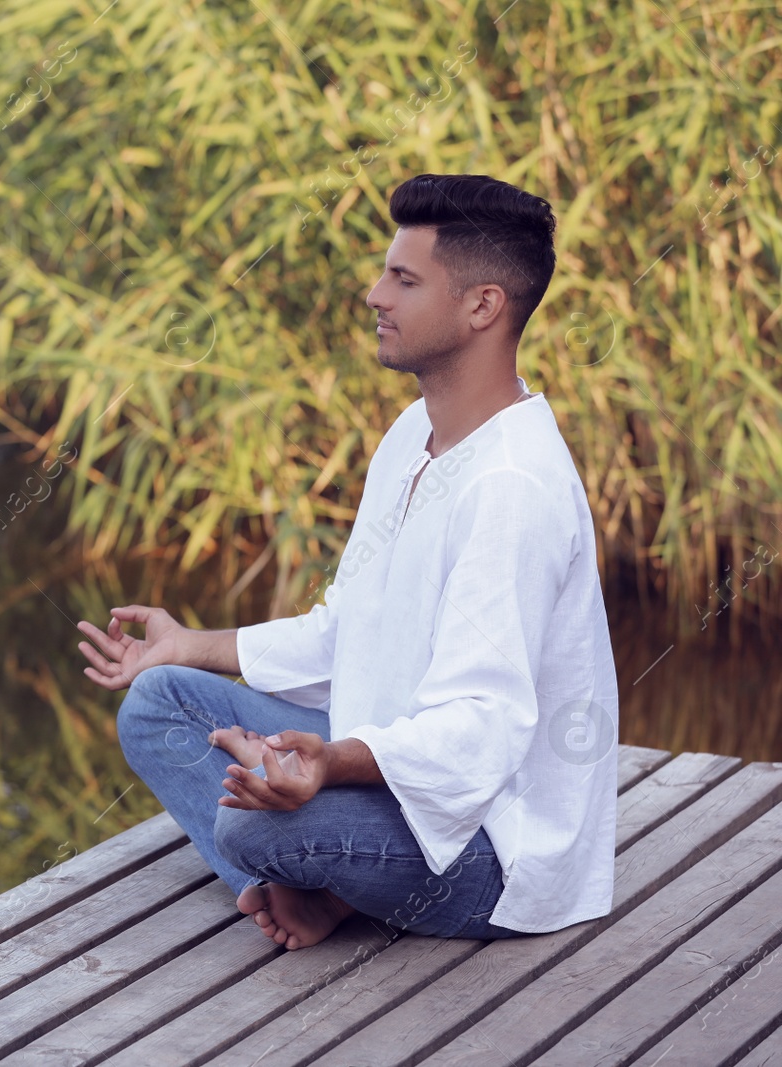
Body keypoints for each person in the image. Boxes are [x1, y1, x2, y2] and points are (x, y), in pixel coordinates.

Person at [76, 174, 618, 950]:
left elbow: (481, 730)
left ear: (482, 305)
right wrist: (188, 644)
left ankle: (301, 885)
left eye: (403, 279)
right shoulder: (412, 435)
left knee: (249, 821)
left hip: (495, 851)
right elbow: (348, 631)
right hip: (395, 775)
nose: (375, 295)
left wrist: (328, 761)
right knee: (162, 705)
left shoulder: (512, 487)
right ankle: (313, 894)